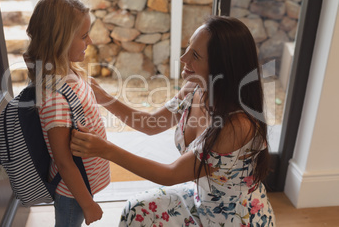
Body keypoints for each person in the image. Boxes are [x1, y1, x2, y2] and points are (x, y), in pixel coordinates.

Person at [71, 16, 276, 226]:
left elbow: (170, 174)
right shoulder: (195, 88)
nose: (183, 58)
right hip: (201, 198)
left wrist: (106, 149)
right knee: (135, 209)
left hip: (234, 218)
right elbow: (151, 124)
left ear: (222, 68)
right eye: (188, 47)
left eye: (195, 55)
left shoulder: (236, 126)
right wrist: (102, 96)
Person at [24, 0, 110, 226]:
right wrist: (88, 204)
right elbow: (63, 161)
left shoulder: (68, 73)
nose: (90, 41)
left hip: (80, 186)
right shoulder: (54, 98)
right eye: (84, 36)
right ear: (59, 41)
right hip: (72, 192)